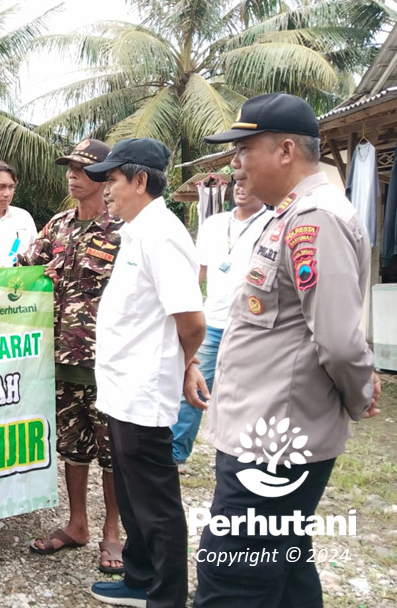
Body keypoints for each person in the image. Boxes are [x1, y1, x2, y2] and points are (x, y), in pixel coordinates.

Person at [192, 93, 380, 607]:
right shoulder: (290, 214)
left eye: (244, 150)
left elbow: (338, 339)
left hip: (275, 438)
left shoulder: (315, 219)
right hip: (267, 427)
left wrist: (360, 395)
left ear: (285, 151)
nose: (236, 164)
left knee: (232, 576)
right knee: (285, 566)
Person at [84, 138, 206, 608]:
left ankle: (166, 596)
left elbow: (191, 322)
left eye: (112, 180)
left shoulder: (163, 234)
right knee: (133, 496)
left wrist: (183, 364)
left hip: (143, 391)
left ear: (140, 181)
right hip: (122, 389)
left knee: (156, 504)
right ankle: (138, 580)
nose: (106, 190)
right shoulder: (136, 231)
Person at [17, 139, 124, 575]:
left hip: (108, 364)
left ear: (104, 176)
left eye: (81, 169)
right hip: (60, 360)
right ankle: (77, 524)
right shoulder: (57, 226)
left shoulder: (122, 230)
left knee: (112, 453)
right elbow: (21, 270)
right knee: (72, 447)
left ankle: (112, 533)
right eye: (70, 168)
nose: (71, 175)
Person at [171, 184, 271, 466]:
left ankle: (243, 456)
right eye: (238, 181)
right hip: (211, 323)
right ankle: (175, 453)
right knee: (192, 390)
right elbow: (197, 274)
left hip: (250, 327)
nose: (242, 187)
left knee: (246, 395)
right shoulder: (214, 224)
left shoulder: (272, 224)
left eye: (248, 181)